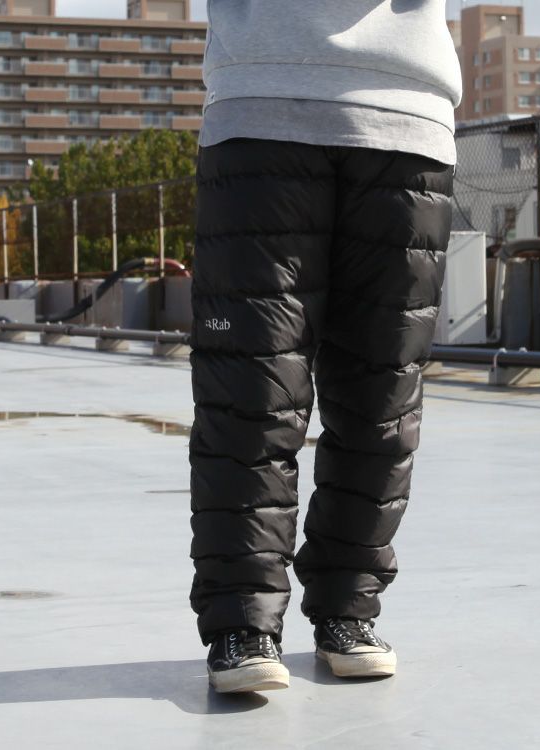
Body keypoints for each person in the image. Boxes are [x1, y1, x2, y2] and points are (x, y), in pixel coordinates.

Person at [188, 0, 462, 694]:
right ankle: (242, 620)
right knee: (251, 389)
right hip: (262, 94)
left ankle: (348, 608)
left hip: (406, 107)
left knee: (382, 395)